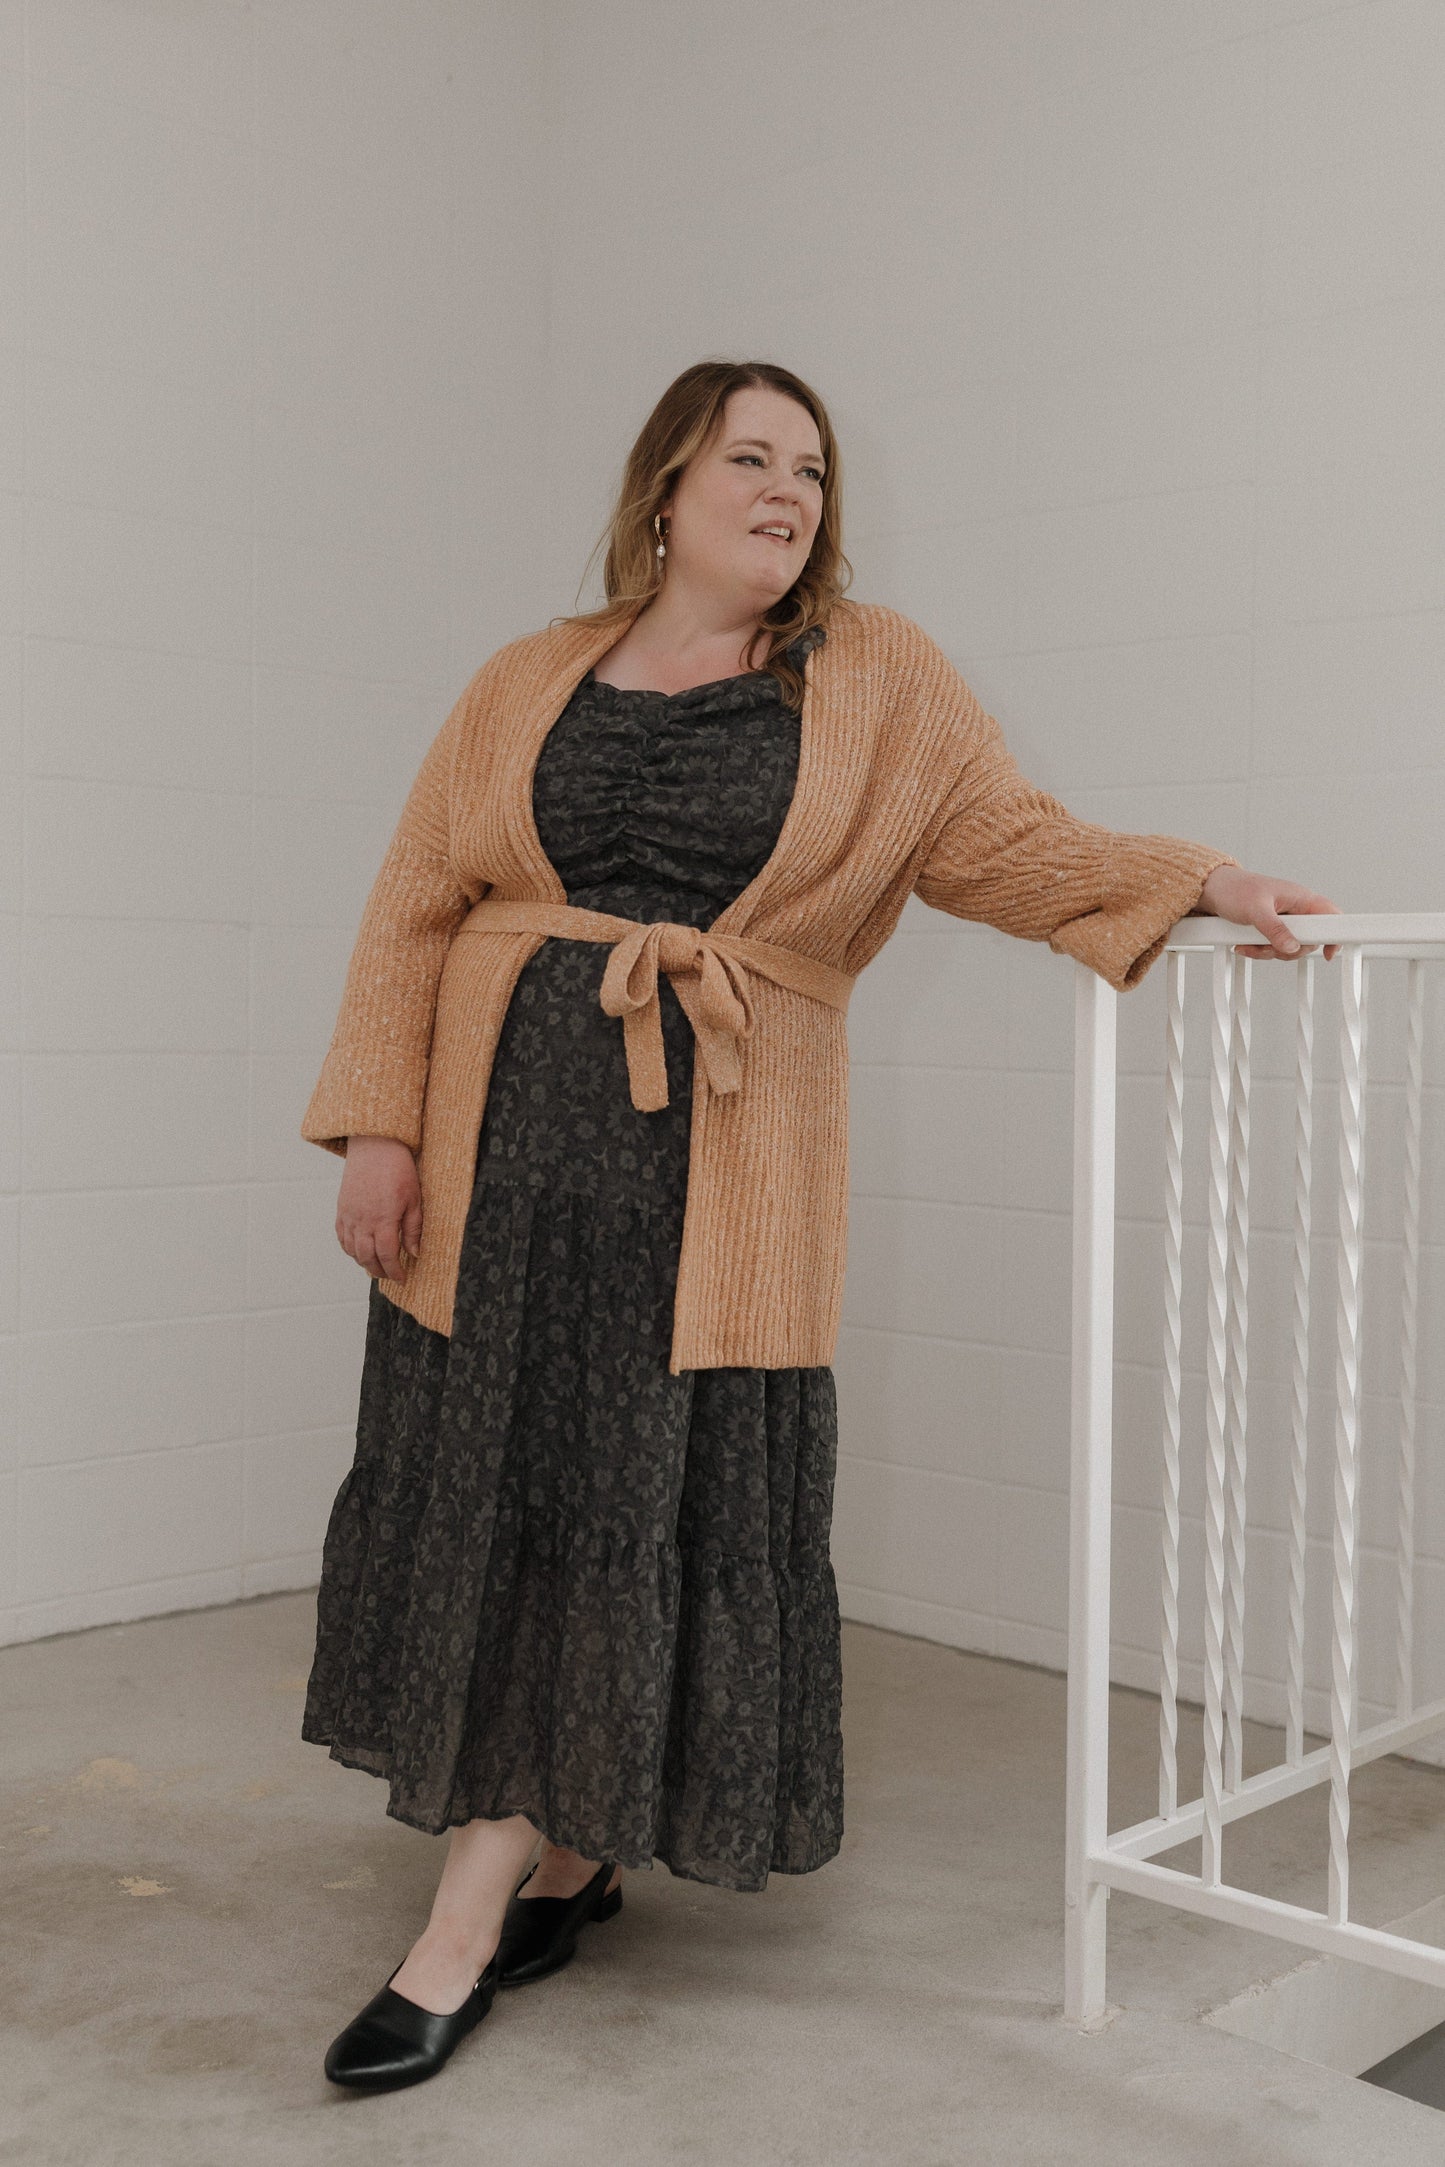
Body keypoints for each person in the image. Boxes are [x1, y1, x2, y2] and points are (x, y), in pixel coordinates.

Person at [299, 358, 1341, 2091]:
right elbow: (415, 900)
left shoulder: (874, 676)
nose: (787, 489)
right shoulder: (526, 678)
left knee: (633, 1499)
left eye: (810, 468)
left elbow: (1001, 841)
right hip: (499, 1165)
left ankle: (465, 1921)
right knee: (520, 1495)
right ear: (665, 488)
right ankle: (557, 1855)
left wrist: (1198, 879)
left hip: (715, 1174)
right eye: (750, 458)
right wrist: (379, 1128)